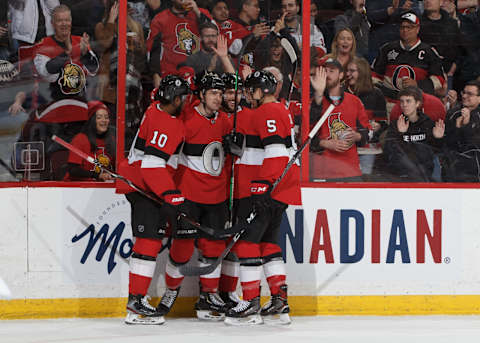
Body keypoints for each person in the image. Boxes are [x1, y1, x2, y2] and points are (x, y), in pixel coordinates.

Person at [224, 70, 301, 325]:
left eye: (252, 89)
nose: (249, 94)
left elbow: (276, 152)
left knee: (247, 243)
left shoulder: (269, 111)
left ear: (263, 90)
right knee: (269, 243)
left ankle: (250, 302)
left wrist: (262, 186)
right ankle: (279, 300)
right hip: (277, 189)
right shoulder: (276, 111)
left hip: (262, 188)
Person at [156, 71, 233, 321]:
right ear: (200, 95)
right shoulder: (186, 118)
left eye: (220, 93)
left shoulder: (226, 122)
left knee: (213, 248)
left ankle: (208, 298)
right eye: (213, 93)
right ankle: (171, 290)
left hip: (217, 197)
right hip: (189, 195)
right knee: (181, 249)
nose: (218, 98)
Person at [116, 75, 190, 325]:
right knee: (148, 243)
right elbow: (151, 165)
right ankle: (136, 304)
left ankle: (136, 300)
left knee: (147, 242)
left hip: (140, 184)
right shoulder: (167, 123)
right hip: (145, 186)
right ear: (176, 99)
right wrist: (171, 195)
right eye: (184, 98)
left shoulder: (153, 108)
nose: (186, 102)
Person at [33, 4, 99, 127]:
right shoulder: (44, 45)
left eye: (67, 20)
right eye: (60, 21)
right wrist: (68, 53)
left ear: (71, 22)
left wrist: (85, 54)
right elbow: (46, 72)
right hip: (54, 109)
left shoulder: (80, 41)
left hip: (80, 107)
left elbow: (94, 70)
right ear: (52, 23)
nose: (64, 24)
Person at [372, 11, 446, 114]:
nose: (405, 30)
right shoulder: (387, 49)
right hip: (389, 105)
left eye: (409, 27)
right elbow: (374, 77)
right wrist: (381, 96)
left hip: (416, 107)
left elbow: (440, 79)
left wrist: (418, 84)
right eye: (402, 27)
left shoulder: (429, 52)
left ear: (417, 29)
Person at [309, 57, 370, 181]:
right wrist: (325, 143)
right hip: (323, 171)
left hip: (350, 170)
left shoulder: (354, 101)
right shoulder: (313, 103)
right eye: (324, 71)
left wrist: (357, 136)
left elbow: (367, 133)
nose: (327, 74)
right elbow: (304, 138)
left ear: (341, 75)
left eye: (331, 71)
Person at [382, 86, 445, 181]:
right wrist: (400, 134)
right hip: (401, 175)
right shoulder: (396, 124)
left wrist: (437, 138)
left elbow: (436, 151)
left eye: (408, 101)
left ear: (417, 103)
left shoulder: (427, 123)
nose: (404, 105)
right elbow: (389, 152)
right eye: (402, 101)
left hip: (424, 174)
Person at [147, 0, 212, 87]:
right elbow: (153, 50)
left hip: (200, 73)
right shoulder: (160, 19)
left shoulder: (201, 13)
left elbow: (214, 36)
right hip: (171, 75)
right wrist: (156, 75)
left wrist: (197, 12)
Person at [345, 56, 386, 177]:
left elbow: (383, 123)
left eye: (352, 71)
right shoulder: (341, 92)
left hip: (367, 147)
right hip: (344, 146)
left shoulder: (376, 94)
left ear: (362, 72)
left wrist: (378, 126)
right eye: (347, 70)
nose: (348, 74)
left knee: (364, 179)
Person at [64, 101, 115, 181]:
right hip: (78, 187)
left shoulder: (111, 139)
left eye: (106, 117)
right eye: (99, 117)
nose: (104, 120)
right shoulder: (80, 139)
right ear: (92, 120)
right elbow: (73, 170)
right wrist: (97, 175)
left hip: (104, 188)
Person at [420, 0, 462, 90]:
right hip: (424, 73)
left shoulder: (452, 23)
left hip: (448, 73)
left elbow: (459, 49)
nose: (427, 1)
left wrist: (451, 72)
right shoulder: (417, 23)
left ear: (441, 2)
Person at [443, 80, 480, 181]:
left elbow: (475, 145)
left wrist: (465, 125)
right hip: (453, 167)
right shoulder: (453, 113)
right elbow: (448, 142)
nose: (464, 96)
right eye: (464, 92)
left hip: (476, 171)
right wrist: (458, 128)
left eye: (470, 94)